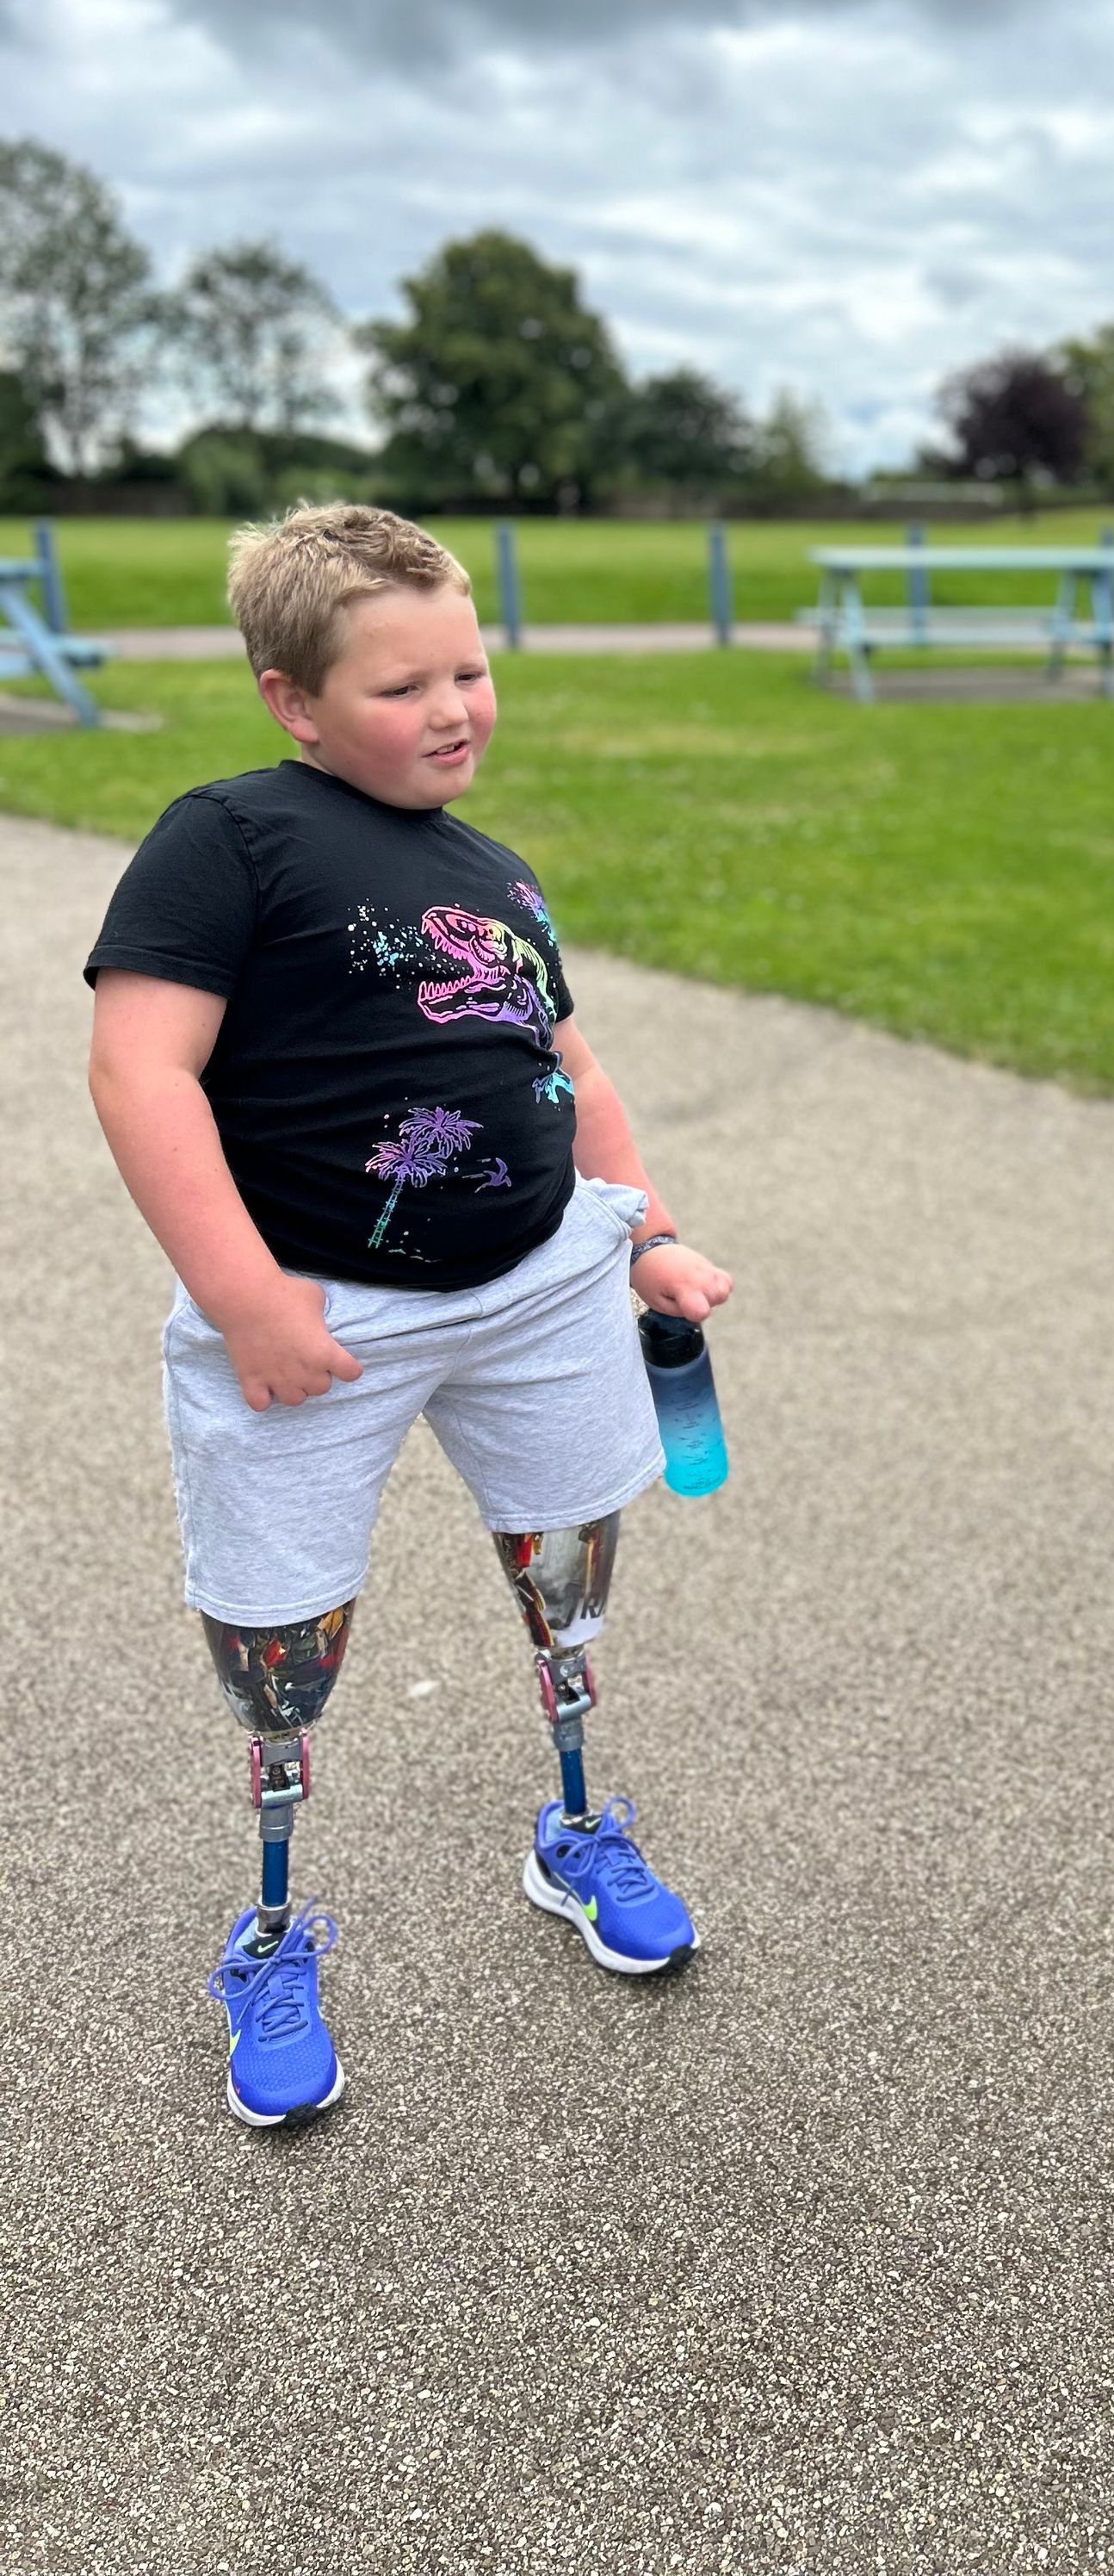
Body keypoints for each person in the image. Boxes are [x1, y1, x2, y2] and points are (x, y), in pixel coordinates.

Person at [84, 504, 732, 2131]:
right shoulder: (228, 836)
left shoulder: (493, 868)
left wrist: (645, 1234)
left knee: (571, 1567)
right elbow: (139, 1067)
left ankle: (575, 1828)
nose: (454, 708)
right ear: (291, 699)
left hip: (537, 1290)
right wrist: (245, 1299)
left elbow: (566, 1072)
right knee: (279, 1632)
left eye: (471, 668)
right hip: (318, 1317)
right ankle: (275, 1928)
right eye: (401, 686)